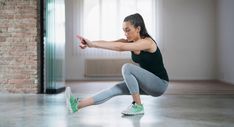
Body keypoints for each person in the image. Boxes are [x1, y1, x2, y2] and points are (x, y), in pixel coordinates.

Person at [65, 13, 169, 116]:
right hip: (147, 83)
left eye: (128, 30)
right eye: (124, 31)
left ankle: (138, 106)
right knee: (115, 89)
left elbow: (120, 47)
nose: (125, 34)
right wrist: (91, 44)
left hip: (160, 84)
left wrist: (93, 44)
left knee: (127, 68)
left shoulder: (148, 42)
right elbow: (110, 43)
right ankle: (77, 105)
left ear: (138, 28)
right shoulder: (130, 42)